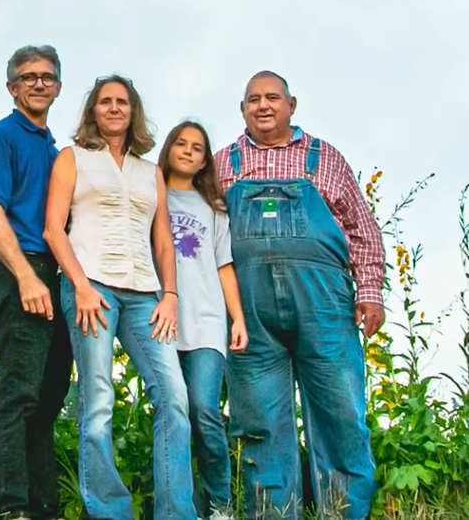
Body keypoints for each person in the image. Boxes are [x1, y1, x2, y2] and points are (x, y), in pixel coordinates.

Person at [214, 71, 384, 520]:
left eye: (272, 97)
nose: (263, 106)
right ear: (242, 108)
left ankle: (343, 511)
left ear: (292, 104)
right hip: (248, 313)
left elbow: (362, 230)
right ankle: (273, 513)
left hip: (324, 304)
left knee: (341, 413)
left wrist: (370, 292)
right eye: (254, 99)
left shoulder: (323, 158)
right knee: (260, 421)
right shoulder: (221, 164)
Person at [43, 74, 196, 520]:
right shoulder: (72, 159)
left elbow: (163, 240)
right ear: (93, 110)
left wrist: (170, 295)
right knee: (99, 400)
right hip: (91, 287)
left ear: (133, 112)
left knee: (174, 396)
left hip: (146, 294)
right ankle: (109, 511)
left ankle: (175, 512)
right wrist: (81, 286)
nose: (114, 108)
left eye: (122, 102)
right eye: (105, 102)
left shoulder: (151, 172)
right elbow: (54, 228)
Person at [0, 45, 73, 520]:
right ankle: (9, 507)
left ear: (57, 86)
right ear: (12, 87)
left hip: (59, 276)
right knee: (17, 397)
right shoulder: (1, 138)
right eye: (28, 77)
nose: (38, 83)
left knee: (48, 400)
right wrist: (23, 277)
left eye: (47, 77)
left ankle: (42, 506)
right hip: (25, 270)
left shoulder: (53, 148)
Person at [158, 120, 248, 520]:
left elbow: (224, 265)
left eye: (198, 147)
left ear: (204, 161)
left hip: (208, 321)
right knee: (171, 412)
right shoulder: (150, 194)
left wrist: (238, 319)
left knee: (204, 409)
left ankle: (220, 503)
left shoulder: (212, 207)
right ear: (168, 149)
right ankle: (180, 505)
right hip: (162, 320)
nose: (189, 151)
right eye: (181, 143)